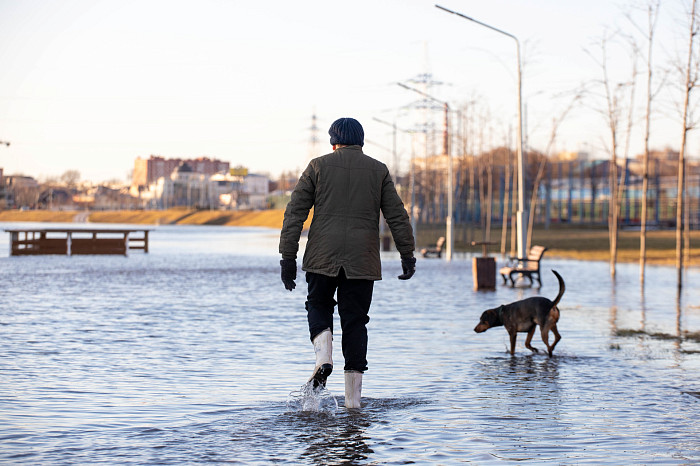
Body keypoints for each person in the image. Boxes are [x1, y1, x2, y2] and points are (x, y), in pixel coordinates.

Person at [279, 117, 416, 409]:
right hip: (362, 259)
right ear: (361, 142)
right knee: (355, 322)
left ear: (333, 142)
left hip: (321, 256)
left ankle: (323, 357)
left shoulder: (317, 166)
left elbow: (294, 214)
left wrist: (287, 257)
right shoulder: (378, 170)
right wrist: (407, 255)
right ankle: (353, 403)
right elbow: (397, 216)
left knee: (318, 305)